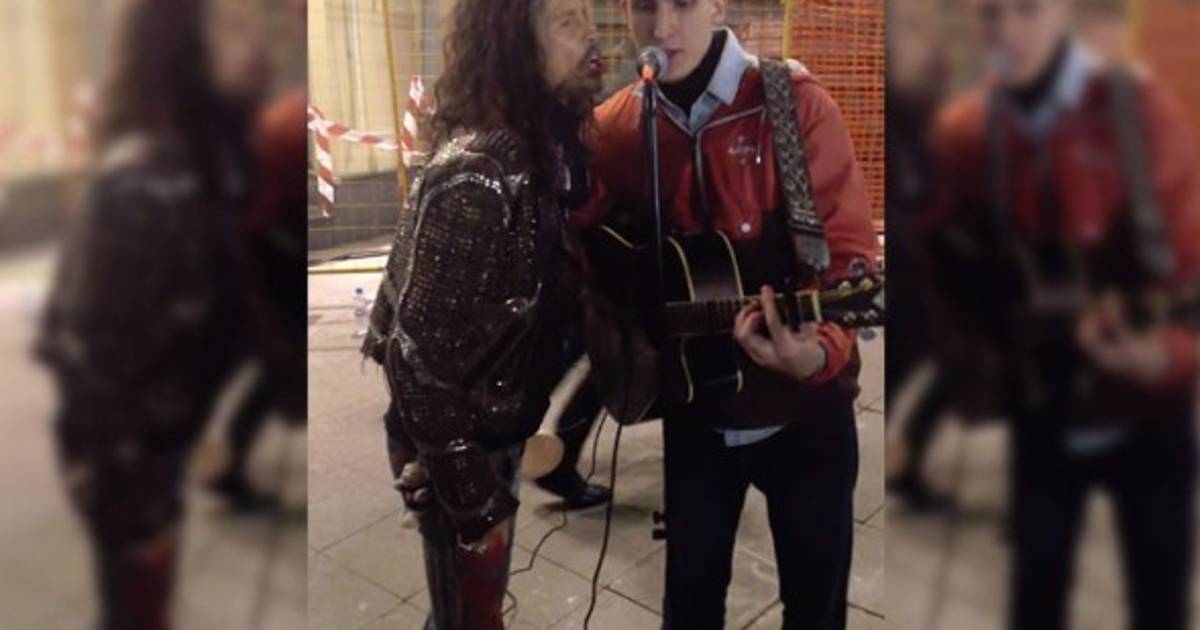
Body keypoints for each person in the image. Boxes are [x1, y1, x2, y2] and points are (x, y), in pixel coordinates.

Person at [578, 1, 879, 628]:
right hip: (695, 414)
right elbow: (577, 241)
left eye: (683, 3)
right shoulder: (618, 128)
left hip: (806, 415)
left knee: (816, 607)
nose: (662, 28)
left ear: (717, 4)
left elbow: (849, 257)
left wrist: (818, 352)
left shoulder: (793, 106)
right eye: (644, 5)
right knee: (689, 606)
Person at [923, 0, 1199, 628]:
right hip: (1040, 408)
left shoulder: (1139, 112)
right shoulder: (971, 132)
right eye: (991, 13)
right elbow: (946, 260)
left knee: (1160, 601)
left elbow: (1188, 266)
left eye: (1027, 9)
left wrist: (1164, 357)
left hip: (1149, 413)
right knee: (1035, 597)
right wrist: (975, 350)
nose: (1006, 30)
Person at [359, 0, 605, 626]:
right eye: (568, 21)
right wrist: (474, 504)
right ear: (515, 42)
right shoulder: (480, 171)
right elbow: (414, 361)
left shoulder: (545, 142)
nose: (592, 37)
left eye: (588, 16)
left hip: (495, 423)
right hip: (455, 438)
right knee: (466, 619)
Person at [34, 0, 269, 628]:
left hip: (161, 443)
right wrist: (137, 510)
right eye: (232, 26)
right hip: (131, 466)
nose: (254, 44)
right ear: (180, 42)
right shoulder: (145, 180)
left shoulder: (208, 157)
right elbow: (95, 369)